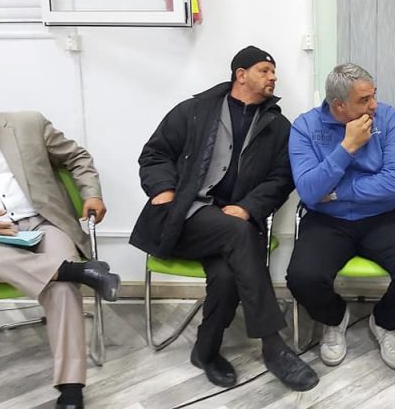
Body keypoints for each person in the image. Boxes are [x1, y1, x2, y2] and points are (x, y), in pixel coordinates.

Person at [129, 46, 318, 392]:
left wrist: (247, 207)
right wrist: (164, 191)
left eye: (274, 72)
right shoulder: (195, 111)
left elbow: (282, 179)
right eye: (264, 71)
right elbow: (155, 154)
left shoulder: (278, 126)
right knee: (239, 234)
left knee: (228, 274)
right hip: (184, 219)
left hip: (233, 224)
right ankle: (273, 347)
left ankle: (205, 350)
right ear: (240, 75)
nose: (273, 77)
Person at [0, 77, 120, 409]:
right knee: (62, 276)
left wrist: (92, 194)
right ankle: (79, 271)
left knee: (61, 288)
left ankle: (71, 388)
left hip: (44, 223)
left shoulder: (28, 123)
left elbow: (77, 157)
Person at [286, 63, 395, 371]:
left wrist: (337, 191)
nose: (374, 105)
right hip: (327, 221)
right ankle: (334, 318)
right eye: (364, 100)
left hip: (381, 216)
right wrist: (347, 146)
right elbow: (309, 191)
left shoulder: (389, 119)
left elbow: (394, 184)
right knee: (302, 279)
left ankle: (385, 323)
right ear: (339, 105)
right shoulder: (305, 127)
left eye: (374, 95)